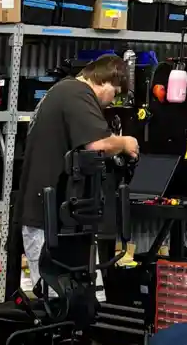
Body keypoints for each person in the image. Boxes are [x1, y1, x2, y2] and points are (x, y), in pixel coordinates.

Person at [18, 54, 138, 285]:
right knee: (57, 295)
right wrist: (125, 143)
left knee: (76, 296)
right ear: (106, 80)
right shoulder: (77, 93)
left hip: (57, 216)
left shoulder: (63, 90)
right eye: (115, 93)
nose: (112, 101)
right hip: (50, 218)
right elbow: (97, 145)